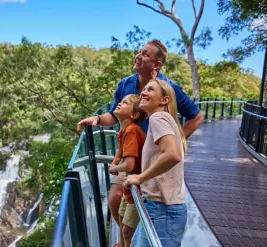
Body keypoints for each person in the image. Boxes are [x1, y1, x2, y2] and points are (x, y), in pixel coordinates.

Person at [76, 39, 203, 233]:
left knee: (145, 200)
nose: (138, 56)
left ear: (156, 65)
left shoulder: (169, 89)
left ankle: (138, 237)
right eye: (139, 51)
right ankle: (130, 238)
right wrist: (96, 119)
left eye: (144, 54)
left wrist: (178, 141)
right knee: (115, 198)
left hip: (152, 157)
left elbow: (196, 117)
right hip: (130, 152)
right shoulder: (125, 84)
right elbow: (113, 114)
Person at [123, 79, 188, 246]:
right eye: (144, 89)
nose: (143, 92)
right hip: (160, 208)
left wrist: (140, 178)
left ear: (164, 100)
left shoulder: (158, 117)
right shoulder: (164, 119)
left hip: (163, 210)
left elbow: (173, 155)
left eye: (150, 90)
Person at [108, 94, 146, 247]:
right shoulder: (123, 131)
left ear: (134, 114)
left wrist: (115, 168)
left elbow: (129, 165)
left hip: (140, 186)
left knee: (128, 231)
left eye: (124, 103)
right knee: (123, 220)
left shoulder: (131, 131)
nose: (119, 103)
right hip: (131, 184)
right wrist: (115, 161)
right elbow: (121, 150)